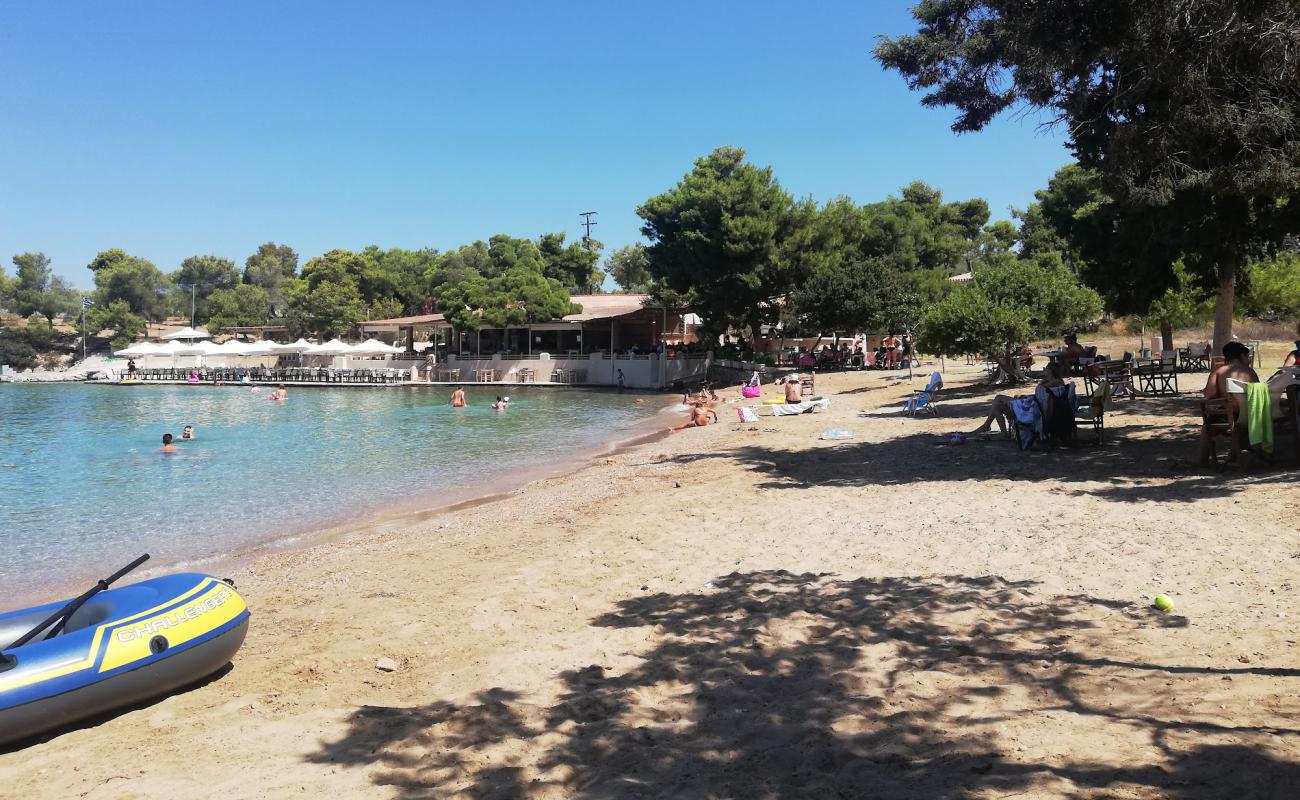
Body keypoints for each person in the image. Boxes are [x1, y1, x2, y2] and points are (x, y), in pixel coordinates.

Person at [1200, 341, 1260, 465]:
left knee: (1206, 427)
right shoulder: (1251, 372)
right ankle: (1236, 452)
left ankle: (1203, 460)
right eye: (1247, 357)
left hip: (1229, 417)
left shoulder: (1219, 372)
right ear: (1242, 356)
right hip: (1252, 416)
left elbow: (1209, 394)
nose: (1248, 360)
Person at [969, 363, 1066, 438]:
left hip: (1036, 411)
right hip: (1036, 407)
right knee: (997, 404)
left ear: (1051, 371)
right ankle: (997, 430)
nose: (1044, 370)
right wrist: (1024, 396)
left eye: (1046, 369)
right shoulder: (1053, 382)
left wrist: (1043, 379)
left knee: (998, 399)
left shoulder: (1055, 382)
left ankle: (989, 427)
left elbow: (1041, 391)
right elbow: (1041, 395)